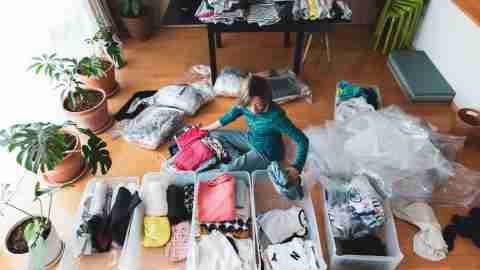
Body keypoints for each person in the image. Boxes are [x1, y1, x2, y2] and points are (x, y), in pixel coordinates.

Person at [199, 75, 309, 181]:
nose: (253, 110)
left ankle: (237, 162)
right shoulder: (245, 103)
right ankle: (238, 160)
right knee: (214, 134)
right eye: (249, 105)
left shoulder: (276, 117)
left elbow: (302, 140)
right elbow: (228, 117)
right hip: (250, 138)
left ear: (266, 98)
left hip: (265, 153)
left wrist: (297, 168)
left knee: (227, 171)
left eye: (258, 105)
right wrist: (206, 129)